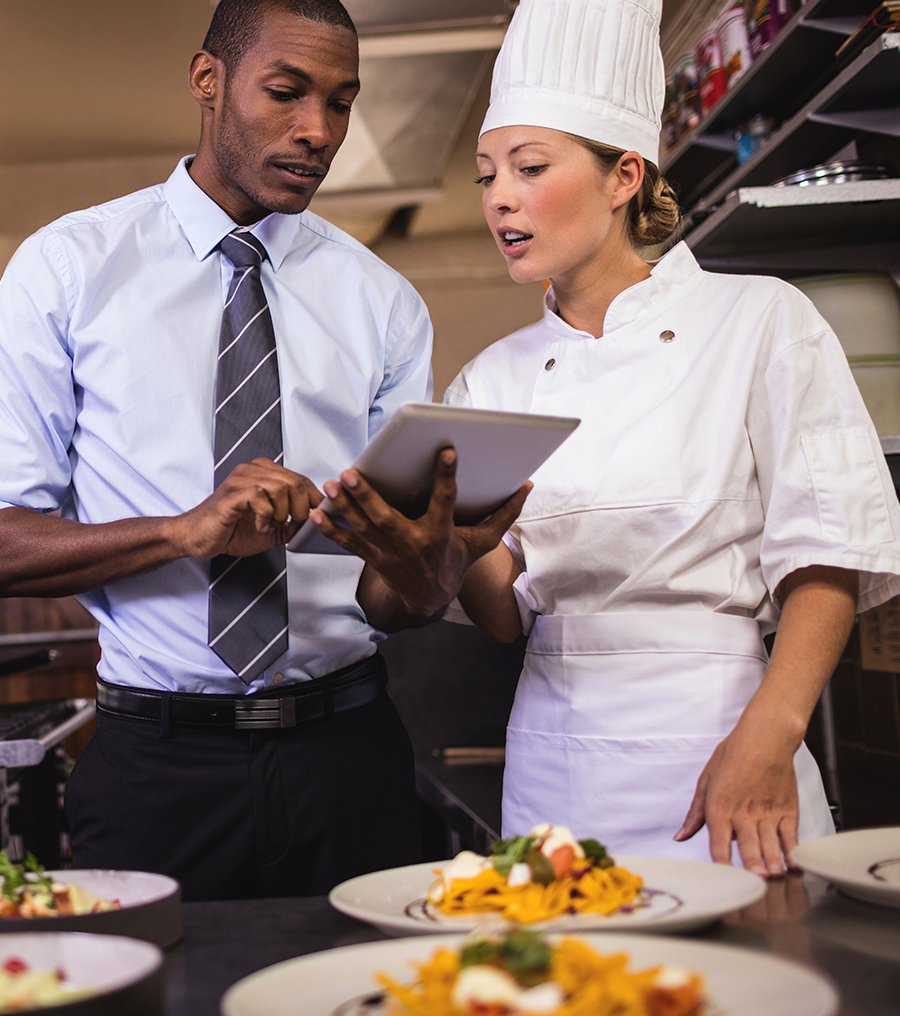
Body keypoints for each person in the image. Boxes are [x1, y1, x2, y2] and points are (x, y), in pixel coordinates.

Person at [0, 0, 522, 901]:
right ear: (208, 81)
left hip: (347, 755)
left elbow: (389, 599)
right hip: (154, 769)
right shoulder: (67, 270)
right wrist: (184, 532)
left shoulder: (383, 302)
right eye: (285, 92)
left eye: (341, 102)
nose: (318, 131)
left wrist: (430, 573)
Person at [434, 0, 900, 878]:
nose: (501, 197)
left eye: (531, 167)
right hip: (554, 761)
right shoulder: (490, 379)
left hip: (727, 740)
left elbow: (829, 551)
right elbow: (502, 618)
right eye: (488, 174)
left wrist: (771, 734)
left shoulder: (759, 319)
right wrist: (447, 540)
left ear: (623, 177)